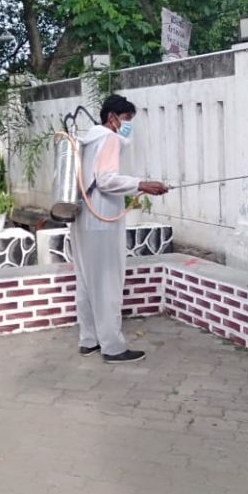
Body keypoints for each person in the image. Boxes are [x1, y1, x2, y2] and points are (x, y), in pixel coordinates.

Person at [72, 94, 168, 363]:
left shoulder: (87, 139)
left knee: (86, 280)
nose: (128, 126)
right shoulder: (109, 138)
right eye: (126, 120)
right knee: (107, 282)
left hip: (82, 218)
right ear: (112, 118)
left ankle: (88, 340)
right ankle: (112, 347)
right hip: (101, 219)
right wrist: (142, 184)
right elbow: (105, 180)